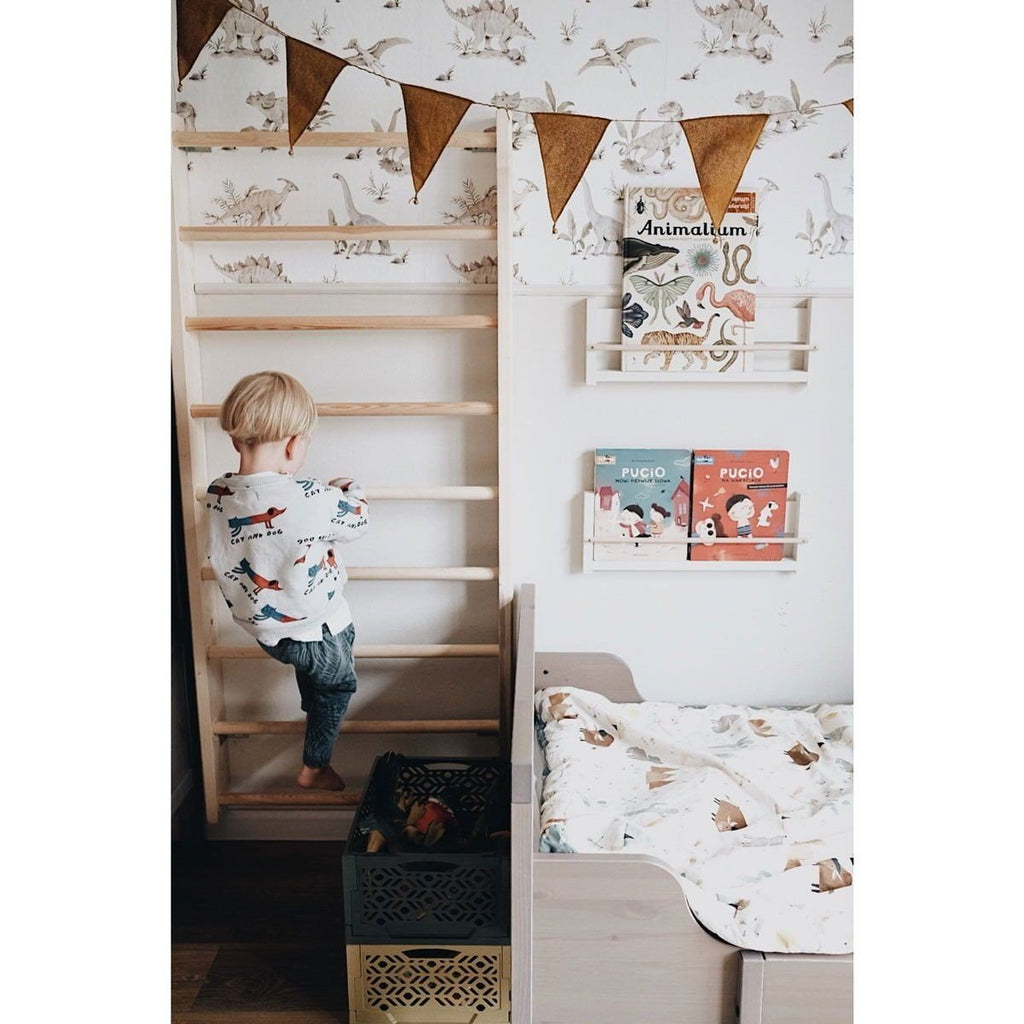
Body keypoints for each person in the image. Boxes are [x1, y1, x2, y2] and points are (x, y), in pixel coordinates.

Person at [205, 371, 369, 791]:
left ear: (236, 440)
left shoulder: (218, 494)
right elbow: (357, 520)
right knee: (338, 686)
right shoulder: (310, 497)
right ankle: (315, 766)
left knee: (312, 671)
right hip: (318, 629)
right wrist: (348, 488)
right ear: (294, 444)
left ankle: (313, 704)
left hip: (266, 633)